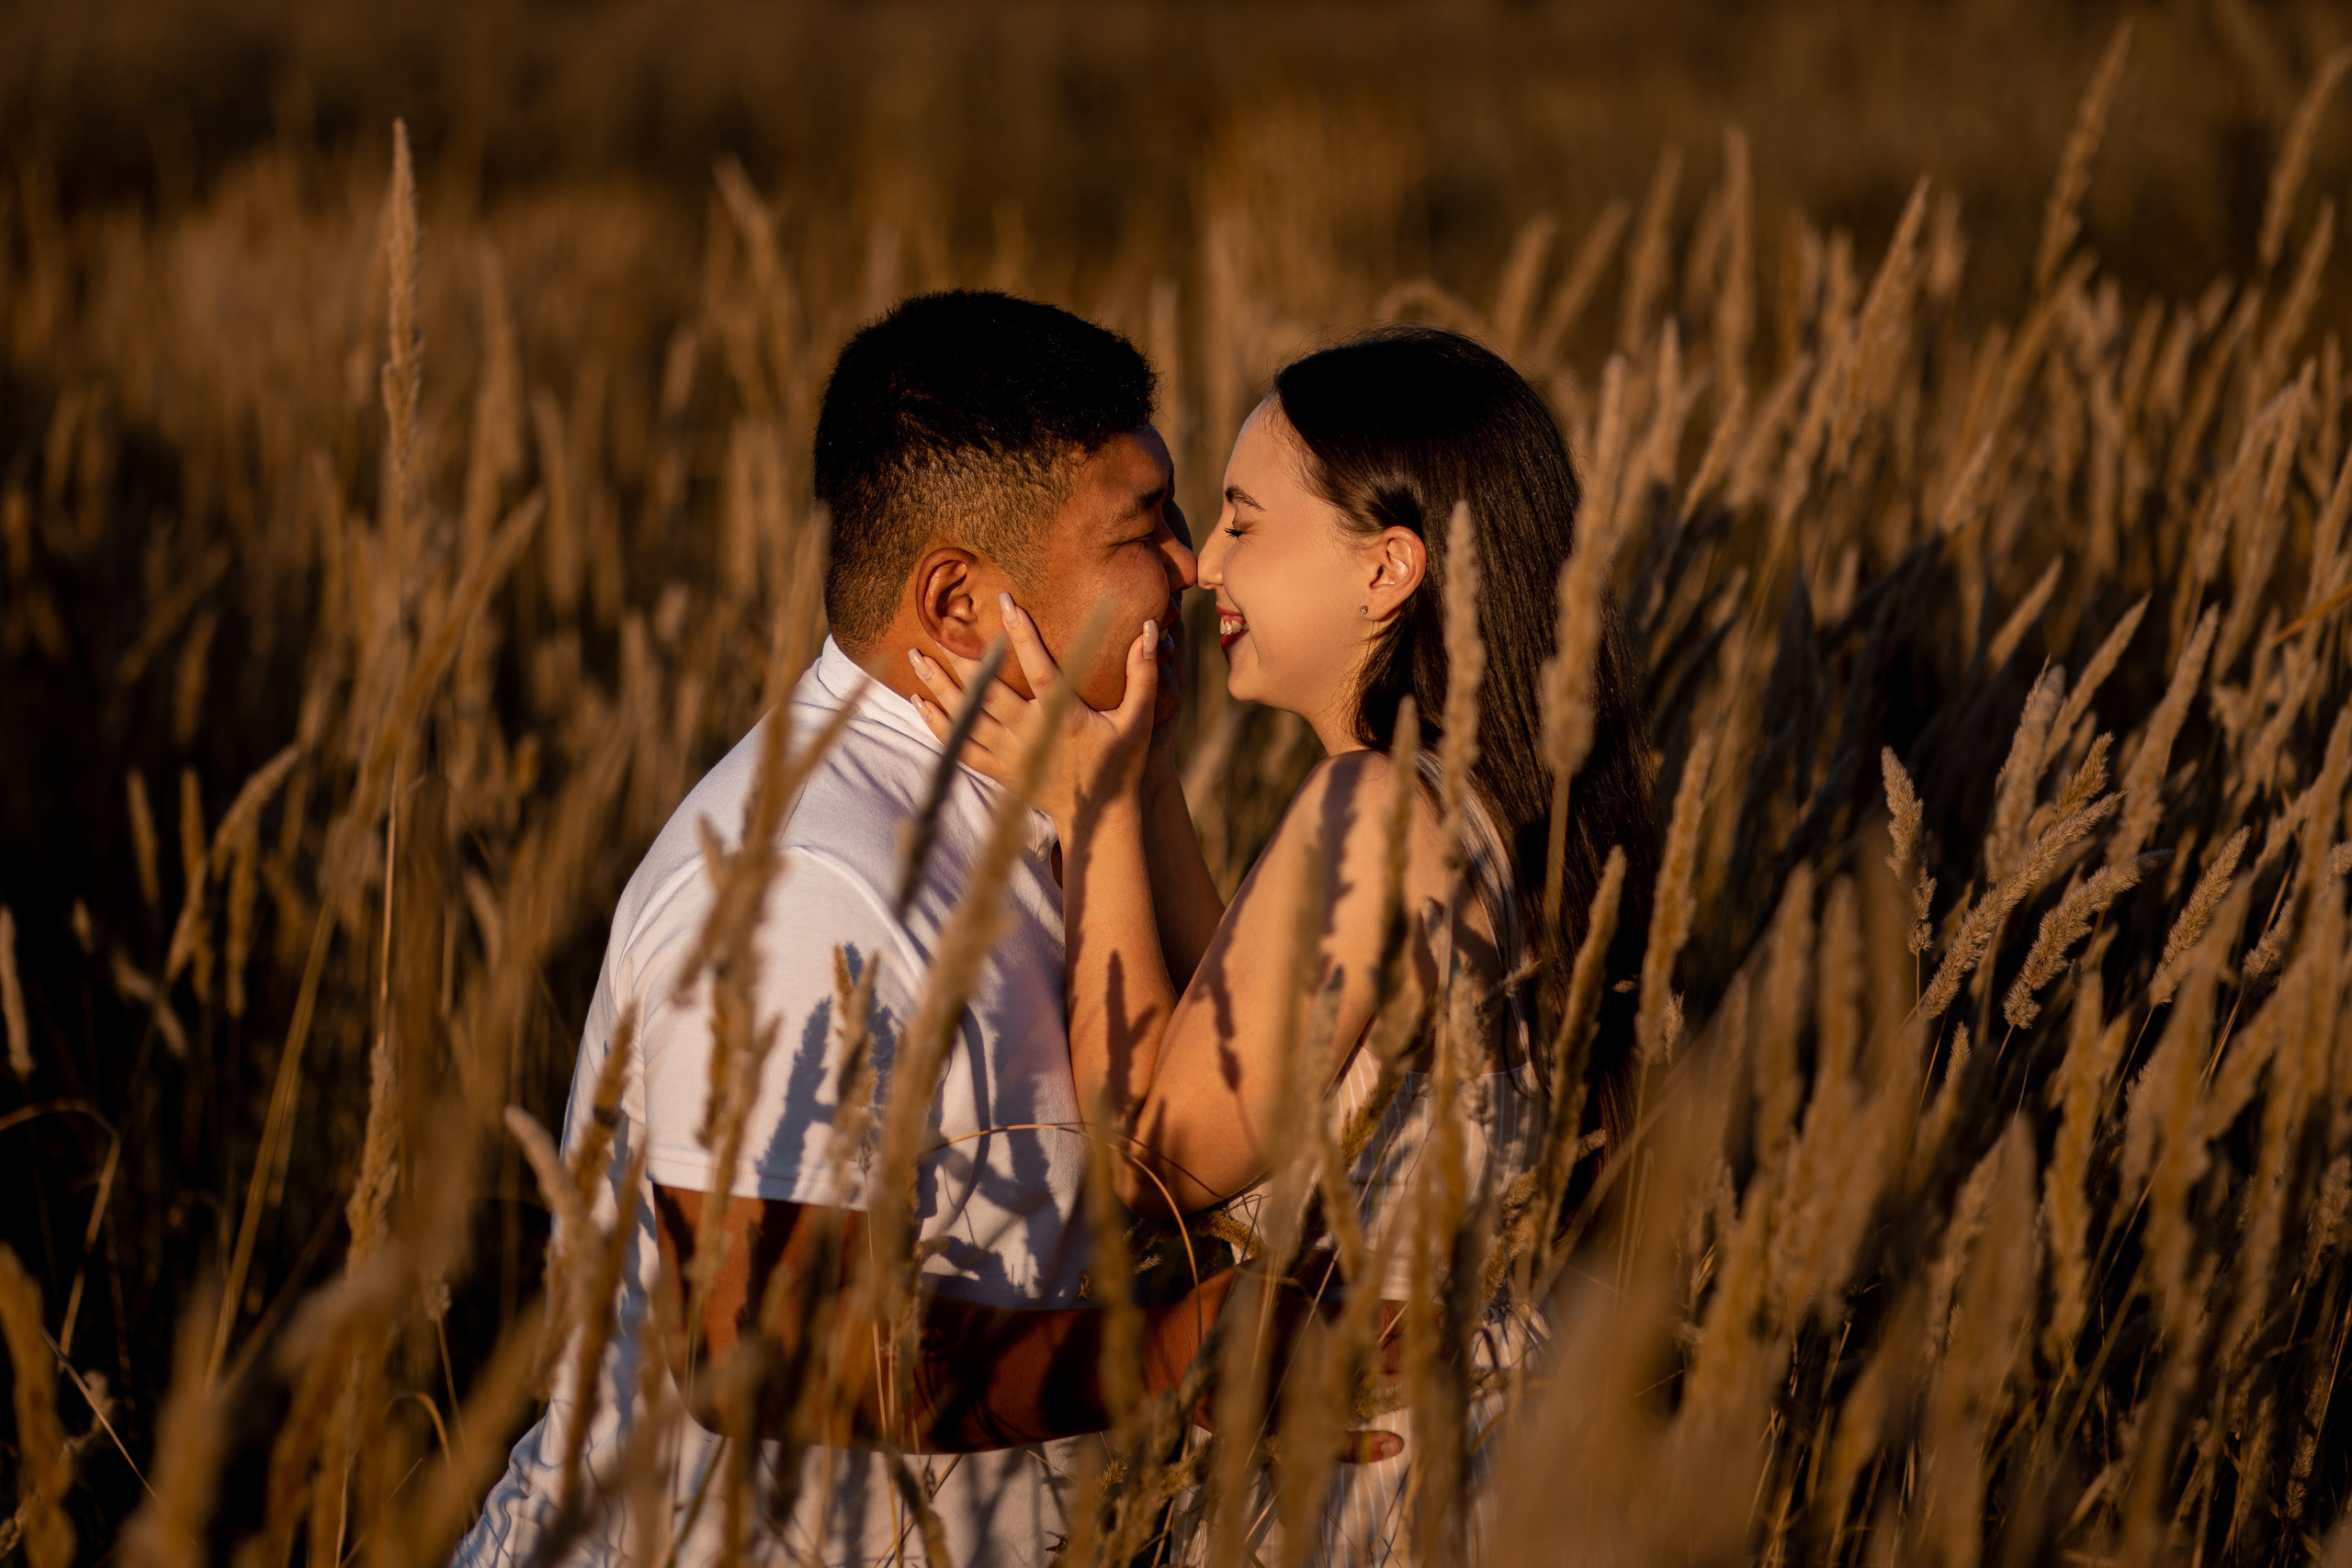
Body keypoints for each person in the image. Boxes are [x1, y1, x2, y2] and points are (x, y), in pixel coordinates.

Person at [456, 290, 1332, 1568]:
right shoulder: (794, 883)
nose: (1194, 568)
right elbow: (772, 1354)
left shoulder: (1055, 789)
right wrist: (1182, 1349)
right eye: (1144, 530)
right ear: (960, 602)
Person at [908, 324, 1660, 1563]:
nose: (1203, 568)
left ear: (1387, 570)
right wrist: (1140, 785)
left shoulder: (1368, 812)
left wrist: (1085, 811)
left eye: (1247, 524)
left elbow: (1159, 1159)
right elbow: (1248, 1039)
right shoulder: (1453, 801)